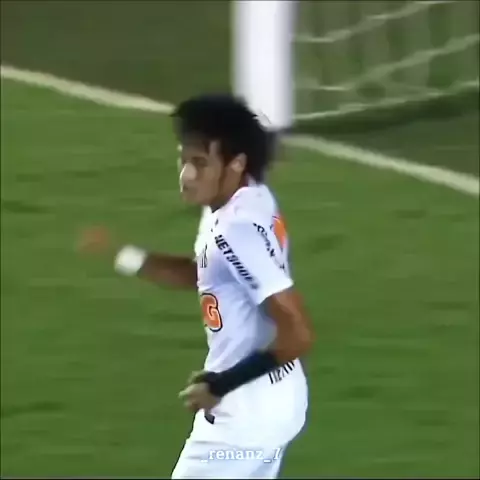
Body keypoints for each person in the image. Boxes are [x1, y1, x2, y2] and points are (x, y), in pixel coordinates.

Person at [79, 94, 315, 479]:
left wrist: (219, 384)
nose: (187, 174)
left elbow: (299, 332)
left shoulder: (235, 231)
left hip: (243, 415)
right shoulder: (247, 197)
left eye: (200, 163)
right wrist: (123, 256)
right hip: (278, 402)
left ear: (236, 164)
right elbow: (207, 273)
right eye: (184, 159)